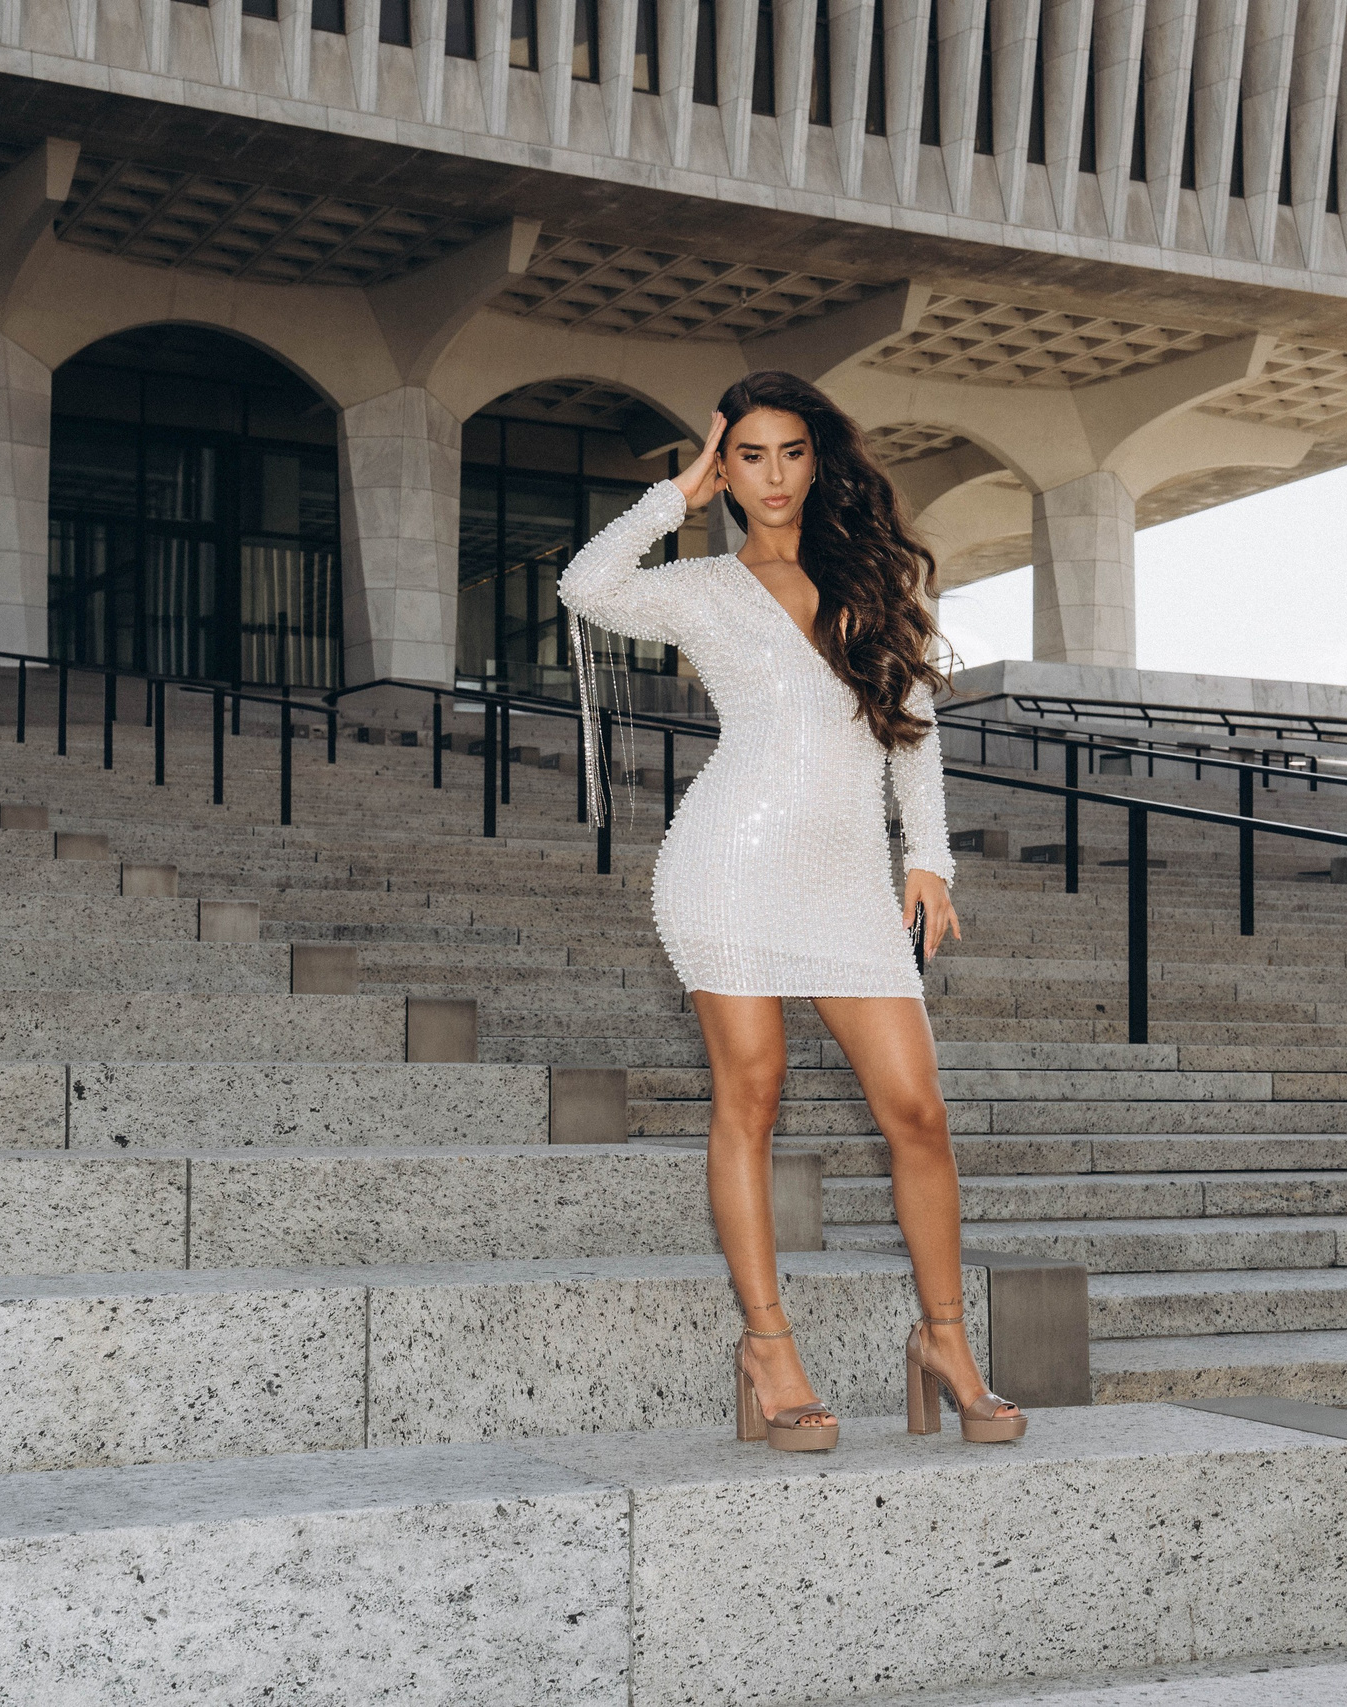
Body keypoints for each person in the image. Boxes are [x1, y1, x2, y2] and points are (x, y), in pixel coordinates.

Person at [557, 369, 1025, 1451]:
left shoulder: (866, 582)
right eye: (749, 456)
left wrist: (931, 859)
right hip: (729, 864)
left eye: (791, 452)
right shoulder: (701, 586)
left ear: (820, 462)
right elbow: (585, 585)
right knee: (752, 1097)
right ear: (725, 468)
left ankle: (945, 1340)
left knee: (918, 1113)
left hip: (848, 883)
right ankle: (769, 1347)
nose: (772, 477)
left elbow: (914, 729)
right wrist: (672, 497)